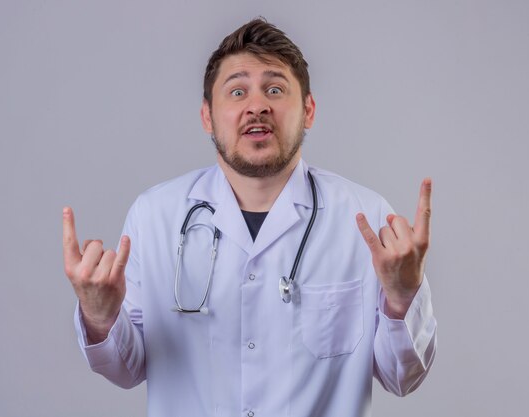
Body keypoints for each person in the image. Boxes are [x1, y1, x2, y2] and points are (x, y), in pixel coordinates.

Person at [62, 18, 436, 417]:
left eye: (275, 89)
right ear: (207, 116)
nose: (257, 106)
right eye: (237, 91)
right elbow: (125, 369)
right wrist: (100, 317)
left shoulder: (367, 219)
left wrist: (400, 299)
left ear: (308, 110)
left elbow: (403, 378)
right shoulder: (154, 216)